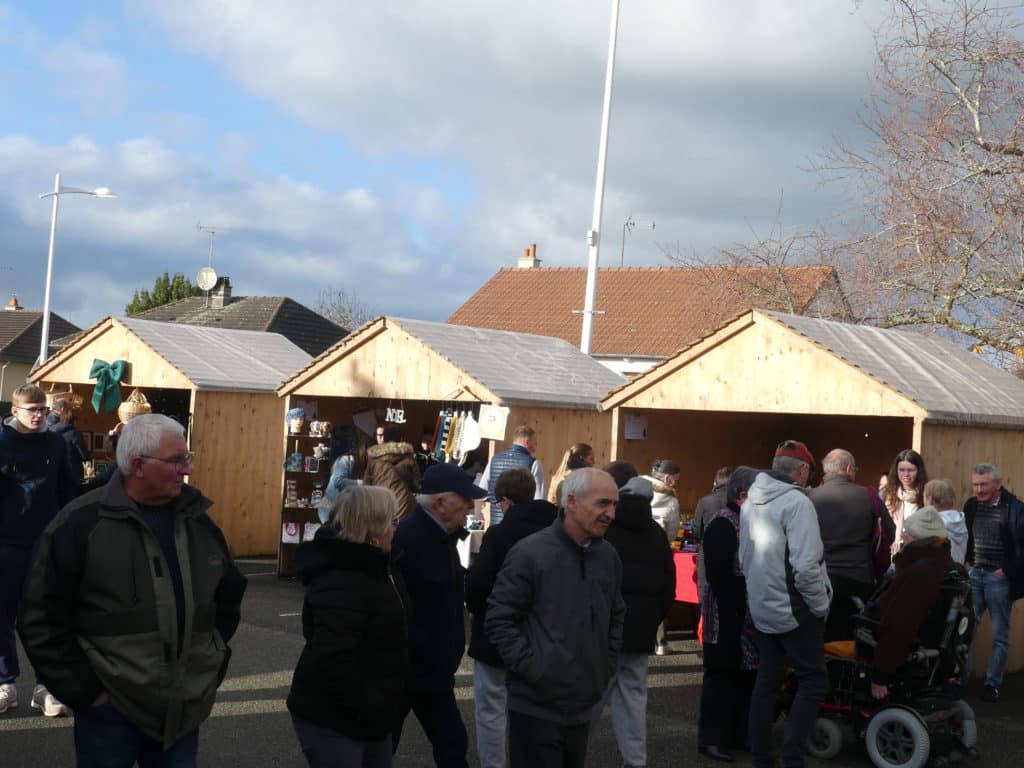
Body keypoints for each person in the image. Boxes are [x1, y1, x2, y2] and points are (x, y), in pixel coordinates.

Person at [18, 413, 247, 766]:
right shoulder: (80, 523)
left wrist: (208, 662)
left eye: (187, 458)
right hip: (110, 714)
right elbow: (40, 616)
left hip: (182, 710)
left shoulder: (198, 522)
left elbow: (228, 595)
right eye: (176, 460)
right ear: (138, 465)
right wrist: (85, 691)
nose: (186, 469)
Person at [486, 467, 625, 768]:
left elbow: (616, 614)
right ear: (572, 502)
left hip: (582, 702)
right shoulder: (531, 553)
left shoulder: (607, 556)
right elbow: (499, 619)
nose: (611, 514)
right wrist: (535, 670)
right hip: (535, 706)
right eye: (603, 503)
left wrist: (604, 666)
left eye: (615, 505)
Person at [287, 485, 411, 768]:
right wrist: (376, 701)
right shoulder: (343, 578)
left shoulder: (381, 565)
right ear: (372, 529)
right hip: (334, 717)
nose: (396, 529)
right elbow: (332, 658)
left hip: (371, 713)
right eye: (392, 521)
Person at [739, 440, 831, 768]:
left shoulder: (751, 501)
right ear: (802, 471)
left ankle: (761, 757)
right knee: (814, 681)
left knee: (767, 679)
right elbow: (805, 567)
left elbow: (744, 557)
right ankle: (792, 758)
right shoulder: (797, 503)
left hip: (763, 605)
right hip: (795, 608)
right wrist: (820, 606)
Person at [391, 462, 487, 767]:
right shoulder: (408, 540)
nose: (470, 505)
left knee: (452, 743)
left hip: (433, 669)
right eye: (464, 498)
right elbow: (394, 608)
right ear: (440, 502)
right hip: (409, 669)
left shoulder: (442, 536)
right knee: (382, 744)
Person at [466, 468, 557, 768]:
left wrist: (478, 611)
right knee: (534, 710)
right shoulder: (557, 532)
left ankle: (494, 764)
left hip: (496, 634)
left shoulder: (500, 535)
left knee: (491, 708)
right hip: (542, 634)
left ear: (505, 501)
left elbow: (479, 584)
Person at [0, 384, 76, 717]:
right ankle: (5, 684)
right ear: (15, 411)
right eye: (32, 410)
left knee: (46, 616)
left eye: (43, 410)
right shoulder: (1, 443)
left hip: (45, 543)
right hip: (6, 544)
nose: (39, 415)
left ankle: (46, 687)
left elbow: (68, 490)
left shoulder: (56, 443)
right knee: (1, 615)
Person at [596, 475, 675, 768]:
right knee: (634, 698)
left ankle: (568, 754)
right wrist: (653, 619)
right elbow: (669, 585)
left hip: (605, 630)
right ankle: (635, 760)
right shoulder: (656, 533)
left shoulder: (606, 529)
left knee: (591, 696)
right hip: (641, 629)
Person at [869, 507, 970, 701]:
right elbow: (966, 624)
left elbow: (899, 625)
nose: (902, 535)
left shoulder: (918, 573)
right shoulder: (955, 571)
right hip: (938, 655)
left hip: (905, 653)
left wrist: (880, 674)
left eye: (907, 532)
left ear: (918, 538)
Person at [698, 467, 760, 763]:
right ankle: (712, 739)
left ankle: (737, 734)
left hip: (744, 614)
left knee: (744, 676)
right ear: (743, 495)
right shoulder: (723, 524)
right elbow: (719, 576)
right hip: (724, 615)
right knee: (720, 678)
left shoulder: (747, 522)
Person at [963, 462, 1024, 703]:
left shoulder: (1016, 509)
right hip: (975, 575)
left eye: (984, 484)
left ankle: (992, 684)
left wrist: (1005, 571)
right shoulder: (971, 506)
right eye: (975, 485)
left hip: (998, 579)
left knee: (1000, 635)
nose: (979, 490)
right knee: (966, 629)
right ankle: (962, 680)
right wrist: (967, 563)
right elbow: (967, 538)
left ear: (998, 484)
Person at [808, 449, 876, 641]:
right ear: (848, 469)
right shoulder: (869, 495)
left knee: (824, 638)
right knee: (857, 638)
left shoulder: (810, 497)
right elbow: (888, 532)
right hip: (859, 579)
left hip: (823, 579)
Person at [478, 425, 546, 525]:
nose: (535, 448)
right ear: (527, 442)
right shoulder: (533, 463)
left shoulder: (494, 460)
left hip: (497, 524)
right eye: (534, 444)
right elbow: (540, 501)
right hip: (522, 525)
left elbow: (482, 492)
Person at [364, 425, 420, 522]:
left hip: (380, 507)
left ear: (384, 438)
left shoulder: (374, 460)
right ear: (401, 439)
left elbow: (366, 485)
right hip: (403, 507)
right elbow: (417, 484)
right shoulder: (409, 458)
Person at [883, 449, 928, 556]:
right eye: (902, 470)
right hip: (893, 552)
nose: (906, 474)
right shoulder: (888, 494)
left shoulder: (927, 494)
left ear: (919, 470)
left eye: (911, 470)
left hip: (919, 553)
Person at [46, 397, 91, 485]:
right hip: (73, 474)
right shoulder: (74, 433)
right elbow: (85, 455)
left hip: (56, 473)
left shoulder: (50, 429)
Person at [924, 479, 967, 564]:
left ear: (930, 500)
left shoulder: (931, 526)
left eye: (924, 497)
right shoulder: (959, 521)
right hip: (957, 569)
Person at [322, 437, 369, 514]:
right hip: (329, 509)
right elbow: (338, 481)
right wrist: (363, 483)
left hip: (343, 510)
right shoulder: (346, 460)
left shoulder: (363, 466)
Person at [642, 459, 682, 540]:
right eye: (675, 480)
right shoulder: (671, 501)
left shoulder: (635, 486)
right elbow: (672, 533)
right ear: (667, 478)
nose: (675, 484)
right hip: (654, 542)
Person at [547, 442, 594, 507]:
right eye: (591, 459)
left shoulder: (557, 476)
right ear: (582, 459)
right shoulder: (577, 479)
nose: (594, 462)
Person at [695, 466, 732, 542]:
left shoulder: (704, 501)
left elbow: (697, 529)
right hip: (731, 547)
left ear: (715, 482)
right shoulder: (739, 502)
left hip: (707, 545)